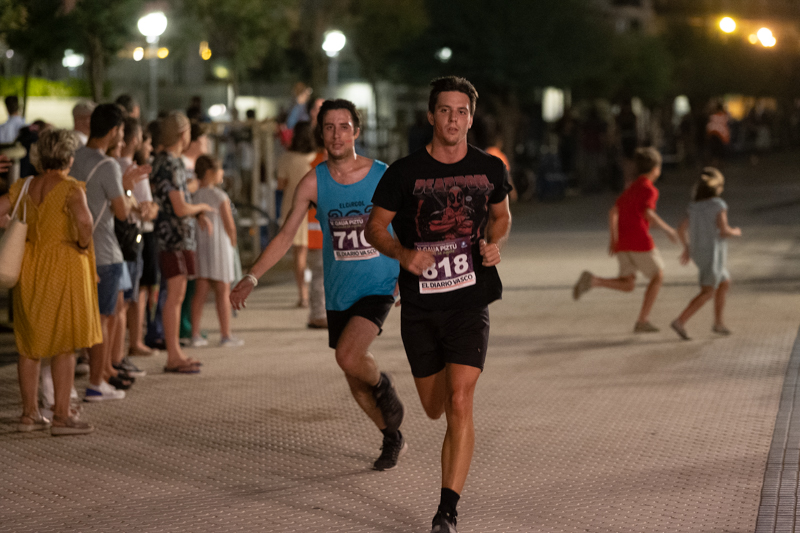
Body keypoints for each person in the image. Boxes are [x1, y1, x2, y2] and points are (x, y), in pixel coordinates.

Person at [366, 76, 512, 533]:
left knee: (460, 400)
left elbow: (502, 215)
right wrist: (403, 254)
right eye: (445, 110)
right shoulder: (403, 173)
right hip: (421, 307)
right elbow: (375, 228)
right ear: (431, 115)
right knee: (435, 407)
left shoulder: (490, 168)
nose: (453, 119)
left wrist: (493, 242)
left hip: (470, 301)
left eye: (461, 111)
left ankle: (446, 512)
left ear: (471, 118)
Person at [231, 99, 406, 471]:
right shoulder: (313, 182)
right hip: (340, 290)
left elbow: (408, 226)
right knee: (353, 375)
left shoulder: (382, 175)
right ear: (321, 134)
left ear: (356, 131)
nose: (337, 134)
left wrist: (408, 274)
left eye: (344, 126)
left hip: (380, 283)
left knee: (348, 356)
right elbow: (285, 236)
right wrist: (251, 276)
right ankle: (391, 436)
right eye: (329, 127)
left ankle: (383, 384)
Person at [0, 129, 101, 435]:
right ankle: (61, 415)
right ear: (69, 157)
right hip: (63, 266)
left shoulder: (25, 185)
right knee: (64, 344)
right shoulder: (72, 188)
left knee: (29, 344)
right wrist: (82, 244)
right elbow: (84, 222)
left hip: (29, 266)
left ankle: (29, 414)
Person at [71, 103, 149, 399]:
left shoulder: (74, 158)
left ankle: (104, 372)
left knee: (106, 313)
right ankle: (96, 382)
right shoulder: (107, 165)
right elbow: (121, 211)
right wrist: (128, 191)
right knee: (104, 318)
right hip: (105, 250)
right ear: (115, 131)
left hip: (79, 248)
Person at [573, 147, 678, 332]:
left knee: (628, 283)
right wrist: (669, 230)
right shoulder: (649, 189)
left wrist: (614, 239)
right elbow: (648, 214)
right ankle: (643, 320)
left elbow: (613, 212)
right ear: (656, 169)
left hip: (623, 242)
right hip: (639, 240)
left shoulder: (631, 188)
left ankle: (594, 281)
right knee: (658, 275)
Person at [151, 111, 214, 373]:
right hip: (174, 238)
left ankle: (176, 351)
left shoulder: (165, 162)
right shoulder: (171, 164)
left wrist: (195, 212)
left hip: (174, 236)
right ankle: (173, 354)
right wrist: (201, 207)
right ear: (181, 134)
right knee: (175, 296)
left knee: (175, 296)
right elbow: (179, 207)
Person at [670, 168, 741, 340]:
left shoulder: (694, 207)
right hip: (713, 254)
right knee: (708, 291)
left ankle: (718, 323)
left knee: (724, 282)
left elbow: (680, 228)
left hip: (699, 253)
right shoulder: (719, 205)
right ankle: (680, 321)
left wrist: (687, 247)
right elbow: (724, 230)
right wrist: (735, 231)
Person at [190, 155, 242, 347]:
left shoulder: (195, 196)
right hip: (221, 248)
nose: (222, 173)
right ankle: (225, 334)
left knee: (200, 292)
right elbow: (229, 225)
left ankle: (195, 334)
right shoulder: (220, 196)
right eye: (220, 170)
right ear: (210, 173)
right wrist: (233, 243)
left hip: (202, 247)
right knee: (223, 291)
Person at [276, 121, 316, 307]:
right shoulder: (317, 157)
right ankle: (320, 293)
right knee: (319, 254)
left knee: (299, 254)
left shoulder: (287, 158)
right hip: (315, 210)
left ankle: (303, 296)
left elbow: (280, 184)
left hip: (293, 209)